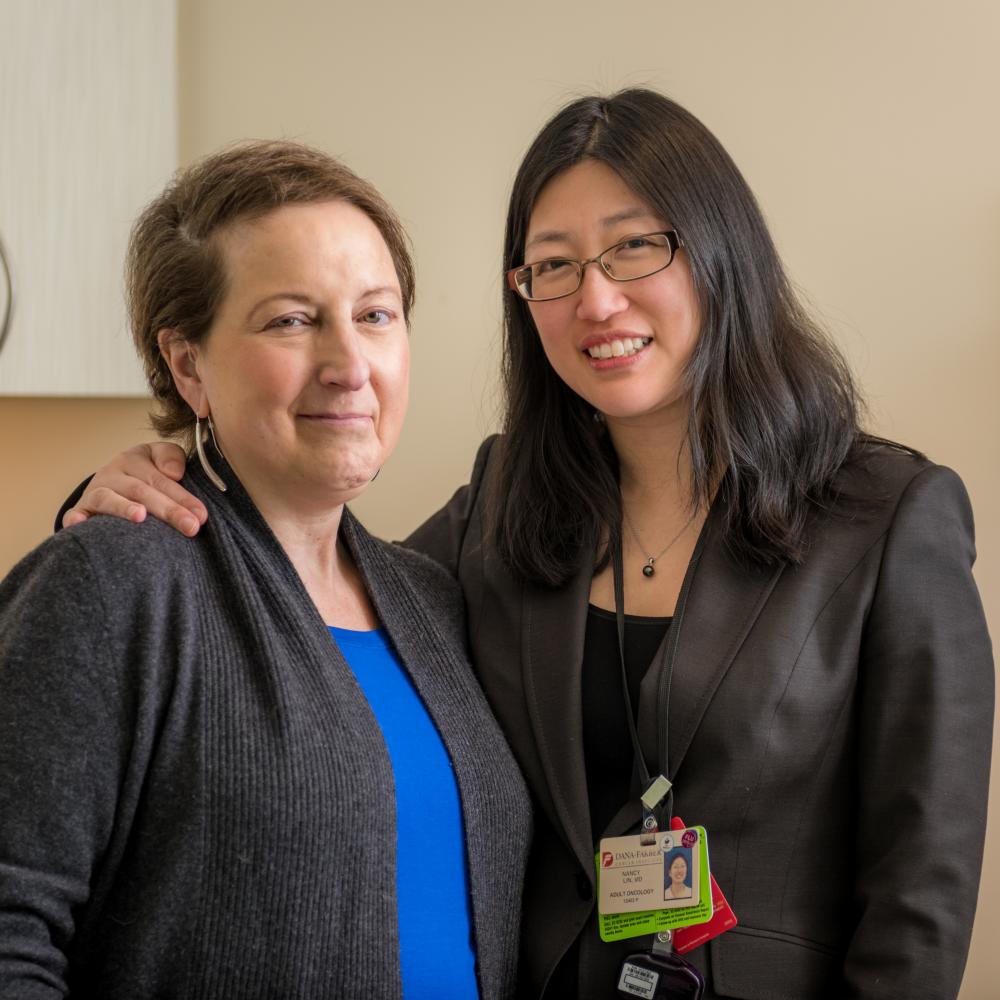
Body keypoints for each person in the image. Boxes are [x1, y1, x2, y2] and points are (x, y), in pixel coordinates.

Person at [54, 90, 993, 999]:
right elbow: (297, 578)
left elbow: (920, 897)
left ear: (722, 254)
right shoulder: (507, 507)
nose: (596, 300)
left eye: (634, 248)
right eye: (553, 265)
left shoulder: (886, 517)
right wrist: (122, 498)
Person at [0, 141, 531, 999]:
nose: (349, 365)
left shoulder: (435, 599)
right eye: (291, 319)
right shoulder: (112, 586)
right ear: (187, 365)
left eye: (375, 314)